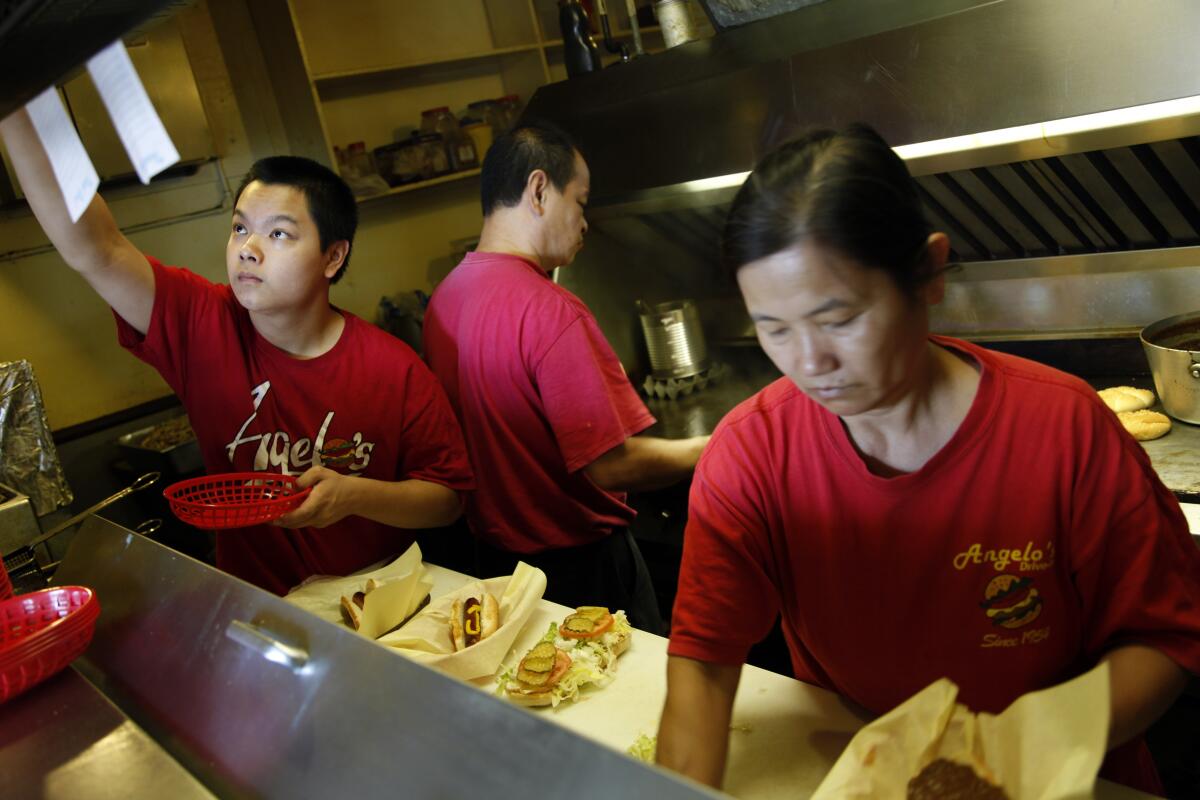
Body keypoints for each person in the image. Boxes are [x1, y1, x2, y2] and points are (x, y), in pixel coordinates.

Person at [655, 124, 1200, 793]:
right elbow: (705, 667)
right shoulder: (751, 456)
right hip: (871, 774)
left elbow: (1166, 639)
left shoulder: (1062, 428)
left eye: (838, 319)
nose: (809, 363)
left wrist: (1028, 743)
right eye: (774, 329)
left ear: (928, 271)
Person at [0, 109, 474, 596]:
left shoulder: (393, 368)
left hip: (374, 607)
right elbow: (96, 247)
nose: (248, 249)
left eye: (278, 234)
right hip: (255, 607)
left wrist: (355, 495)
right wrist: (16, 102)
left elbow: (447, 499)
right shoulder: (203, 324)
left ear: (333, 257)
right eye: (239, 228)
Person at [423, 123, 708, 632]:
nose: (584, 222)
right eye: (579, 201)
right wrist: (720, 443)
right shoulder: (551, 310)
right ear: (538, 190)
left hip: (497, 567)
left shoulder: (445, 299)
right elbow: (611, 467)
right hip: (584, 572)